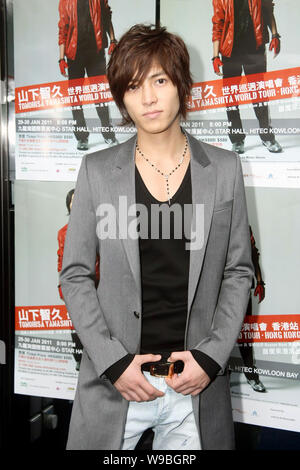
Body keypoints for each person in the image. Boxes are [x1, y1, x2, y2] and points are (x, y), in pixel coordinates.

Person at [60, 24, 254, 450]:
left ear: (181, 84)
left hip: (194, 387)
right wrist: (113, 363)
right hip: (117, 384)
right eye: (132, 86)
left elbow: (239, 271)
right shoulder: (96, 171)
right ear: (121, 99)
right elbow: (74, 275)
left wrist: (210, 357)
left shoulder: (224, 170)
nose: (147, 98)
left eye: (159, 80)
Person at [212, 0, 282, 154]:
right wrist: (215, 56)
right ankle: (237, 139)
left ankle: (267, 137)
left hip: (254, 48)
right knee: (231, 96)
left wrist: (275, 35)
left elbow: (268, 11)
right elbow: (218, 24)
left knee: (259, 94)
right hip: (231, 51)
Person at [58, 0, 118, 150]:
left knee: (100, 96)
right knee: (76, 98)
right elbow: (63, 30)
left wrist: (113, 40)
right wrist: (61, 58)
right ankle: (82, 137)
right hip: (74, 55)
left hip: (96, 53)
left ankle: (108, 134)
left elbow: (106, 17)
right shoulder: (66, 1)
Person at [57, 188, 100, 371]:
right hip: (78, 291)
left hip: (102, 290)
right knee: (78, 329)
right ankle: (80, 363)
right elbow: (62, 264)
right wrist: (65, 292)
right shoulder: (64, 232)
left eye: (79, 200)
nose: (76, 204)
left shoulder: (102, 227)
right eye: (72, 201)